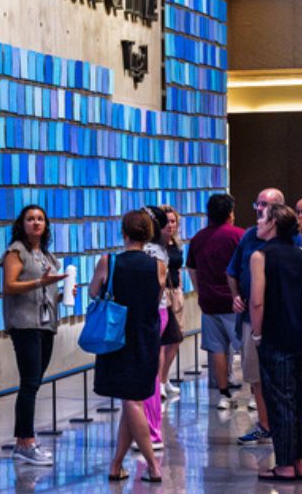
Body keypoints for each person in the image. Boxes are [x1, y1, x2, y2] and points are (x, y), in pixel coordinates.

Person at [90, 209, 166, 482]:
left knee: (131, 400)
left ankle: (153, 466)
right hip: (146, 335)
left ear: (123, 233)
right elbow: (156, 298)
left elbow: (94, 292)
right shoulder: (158, 265)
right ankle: (116, 464)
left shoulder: (108, 261)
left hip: (117, 337)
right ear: (148, 234)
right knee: (131, 398)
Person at [227, 188, 302, 446]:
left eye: (265, 207)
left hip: (281, 322)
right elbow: (232, 271)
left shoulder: (292, 244)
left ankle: (292, 436)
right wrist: (237, 295)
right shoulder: (250, 237)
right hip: (254, 320)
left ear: (277, 216)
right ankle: (266, 425)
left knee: (287, 381)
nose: (259, 210)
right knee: (256, 377)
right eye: (257, 204)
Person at [250, 202, 302, 481]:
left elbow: (257, 300)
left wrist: (256, 334)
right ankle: (299, 462)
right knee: (299, 399)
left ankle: (285, 465)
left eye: (262, 216)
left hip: (276, 335)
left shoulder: (260, 256)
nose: (258, 221)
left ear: (273, 223)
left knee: (280, 400)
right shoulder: (300, 254)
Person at [1, 205, 67, 465]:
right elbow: (9, 286)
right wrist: (41, 283)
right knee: (29, 383)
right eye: (31, 219)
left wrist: (62, 295)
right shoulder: (16, 251)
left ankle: (23, 441)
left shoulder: (46, 255)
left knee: (35, 382)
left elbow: (46, 292)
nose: (36, 223)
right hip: (25, 325)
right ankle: (25, 442)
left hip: (45, 324)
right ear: (22, 223)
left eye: (40, 219)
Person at [188, 193, 244, 408]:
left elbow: (192, 268)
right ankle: (256, 398)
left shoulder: (198, 238)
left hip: (209, 303)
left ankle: (223, 395)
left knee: (217, 349)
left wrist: (200, 292)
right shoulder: (238, 236)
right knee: (246, 348)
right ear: (230, 212)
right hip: (235, 302)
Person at [139, 206, 173, 446]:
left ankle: (151, 431)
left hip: (150, 312)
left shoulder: (150, 251)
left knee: (147, 373)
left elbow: (153, 287)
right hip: (155, 312)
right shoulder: (158, 249)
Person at [157, 205, 187, 402]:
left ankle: (165, 377)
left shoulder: (176, 245)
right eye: (166, 221)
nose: (170, 225)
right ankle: (158, 382)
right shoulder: (157, 247)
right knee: (162, 341)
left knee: (176, 339)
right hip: (162, 294)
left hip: (176, 292)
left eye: (173, 221)